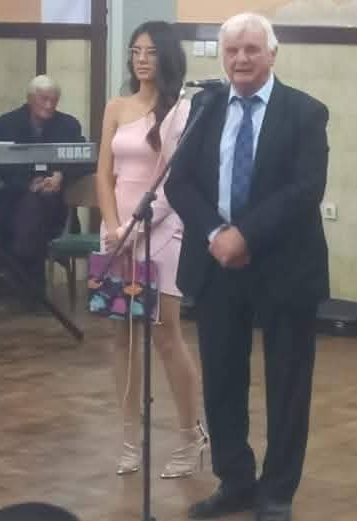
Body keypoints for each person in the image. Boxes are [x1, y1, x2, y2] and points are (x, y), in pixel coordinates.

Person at [165, 12, 330, 521]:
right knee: (221, 378)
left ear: (272, 54)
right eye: (232, 50)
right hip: (217, 264)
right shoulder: (205, 107)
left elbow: (305, 189)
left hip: (284, 265)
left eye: (251, 49)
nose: (240, 59)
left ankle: (277, 491)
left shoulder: (304, 112)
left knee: (288, 383)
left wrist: (246, 235)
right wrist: (216, 234)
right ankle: (235, 481)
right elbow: (178, 183)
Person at [94, 21, 207, 479]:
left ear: (167, 57)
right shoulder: (116, 106)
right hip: (116, 232)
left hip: (161, 229)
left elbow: (175, 181)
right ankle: (129, 438)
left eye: (151, 52)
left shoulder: (182, 110)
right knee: (122, 336)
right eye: (136, 51)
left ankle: (191, 435)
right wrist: (112, 226)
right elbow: (104, 173)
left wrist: (136, 226)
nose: (141, 59)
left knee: (164, 335)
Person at [0, 75, 86, 295]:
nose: (49, 105)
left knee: (37, 205)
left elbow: (85, 162)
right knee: (29, 205)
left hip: (56, 206)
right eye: (44, 99)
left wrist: (60, 176)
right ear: (30, 99)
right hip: (13, 202)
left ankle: (20, 273)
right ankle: (31, 286)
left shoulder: (69, 125)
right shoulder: (6, 124)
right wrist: (28, 184)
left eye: (54, 100)